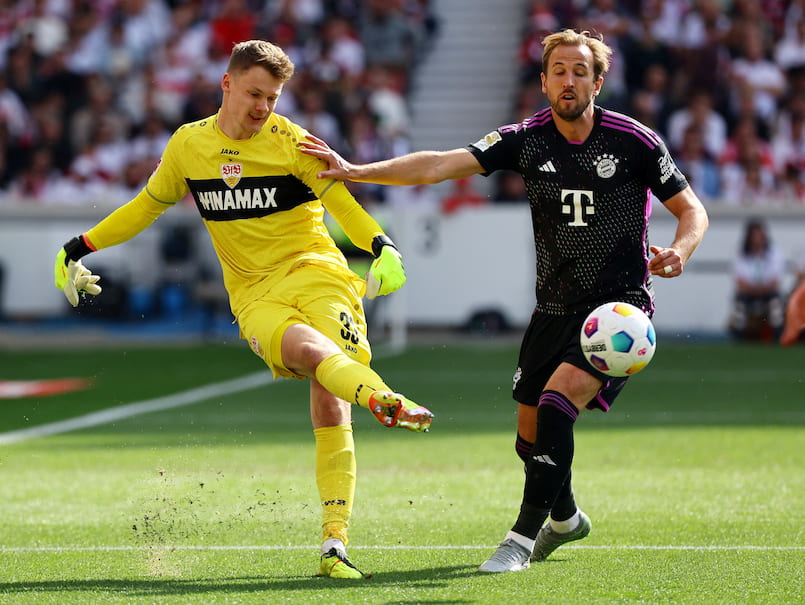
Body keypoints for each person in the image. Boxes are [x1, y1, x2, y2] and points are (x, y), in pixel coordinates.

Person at [300, 28, 709, 573]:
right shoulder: (525, 139)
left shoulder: (634, 141)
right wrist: (356, 171)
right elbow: (439, 164)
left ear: (599, 80)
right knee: (529, 435)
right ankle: (565, 518)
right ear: (543, 82)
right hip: (553, 309)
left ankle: (520, 539)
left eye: (580, 71)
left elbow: (692, 210)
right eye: (559, 71)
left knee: (558, 404)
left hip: (618, 310)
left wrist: (680, 251)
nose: (569, 80)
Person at [52, 39, 434, 580]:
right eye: (255, 94)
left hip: (318, 275)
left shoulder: (293, 143)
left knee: (328, 397)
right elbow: (146, 206)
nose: (263, 108)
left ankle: (334, 545)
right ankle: (383, 397)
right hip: (253, 293)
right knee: (307, 355)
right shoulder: (188, 147)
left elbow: (342, 201)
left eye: (273, 98)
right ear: (226, 84)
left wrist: (381, 245)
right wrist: (79, 247)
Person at [728, 218, 786, 340]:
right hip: (748, 293)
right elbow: (739, 282)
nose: (757, 239)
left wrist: (761, 289)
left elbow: (776, 281)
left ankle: (777, 335)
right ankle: (740, 336)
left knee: (775, 303)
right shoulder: (740, 252)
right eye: (754, 235)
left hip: (768, 292)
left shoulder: (774, 252)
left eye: (760, 235)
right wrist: (755, 289)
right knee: (740, 303)